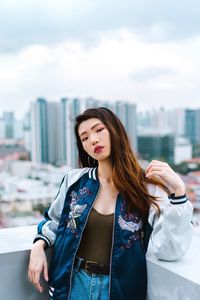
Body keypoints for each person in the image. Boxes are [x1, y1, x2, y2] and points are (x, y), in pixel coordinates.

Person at [28, 107, 194, 300]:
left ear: (115, 130)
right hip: (74, 285)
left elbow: (169, 248)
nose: (93, 140)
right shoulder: (74, 181)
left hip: (120, 289)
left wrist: (179, 193)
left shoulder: (146, 188)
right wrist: (38, 246)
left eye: (99, 130)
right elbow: (54, 220)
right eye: (85, 137)